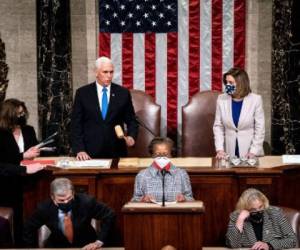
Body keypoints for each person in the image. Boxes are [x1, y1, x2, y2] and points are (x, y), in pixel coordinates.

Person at [71, 56, 138, 160]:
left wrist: (131, 136)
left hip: (116, 151)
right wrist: (80, 149)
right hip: (89, 153)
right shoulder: (82, 93)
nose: (109, 76)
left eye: (111, 72)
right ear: (96, 72)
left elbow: (131, 120)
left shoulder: (123, 93)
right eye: (105, 72)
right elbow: (76, 124)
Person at [23, 177, 115, 249]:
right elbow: (28, 227)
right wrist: (31, 248)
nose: (66, 202)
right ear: (52, 197)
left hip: (86, 245)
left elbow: (109, 214)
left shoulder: (86, 202)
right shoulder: (44, 208)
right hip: (57, 247)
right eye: (61, 200)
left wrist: (99, 241)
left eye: (69, 198)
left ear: (73, 193)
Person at [213, 68, 265, 159]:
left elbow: (260, 128)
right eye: (226, 82)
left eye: (231, 83)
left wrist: (253, 151)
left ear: (241, 83)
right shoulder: (221, 99)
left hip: (250, 152)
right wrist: (220, 149)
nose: (227, 85)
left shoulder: (256, 100)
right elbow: (218, 126)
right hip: (228, 152)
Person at [226, 188, 297, 249]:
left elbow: (293, 240)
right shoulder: (237, 217)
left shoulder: (275, 214)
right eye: (253, 209)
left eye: (260, 207)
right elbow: (233, 245)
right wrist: (240, 220)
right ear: (245, 209)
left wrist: (269, 245)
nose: (258, 211)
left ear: (264, 203)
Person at [132, 137, 193, 202]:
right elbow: (134, 199)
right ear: (152, 155)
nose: (161, 157)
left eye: (165, 154)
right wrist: (143, 199)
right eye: (157, 154)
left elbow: (190, 198)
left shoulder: (181, 174)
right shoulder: (142, 175)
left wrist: (184, 198)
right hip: (151, 211)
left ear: (171, 154)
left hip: (175, 211)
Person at [0, 98, 40, 165]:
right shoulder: (1, 132)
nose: (22, 116)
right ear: (9, 115)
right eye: (19, 114)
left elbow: (34, 149)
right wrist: (23, 156)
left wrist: (37, 151)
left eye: (23, 113)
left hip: (30, 170)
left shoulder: (29, 130)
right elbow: (3, 158)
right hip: (9, 173)